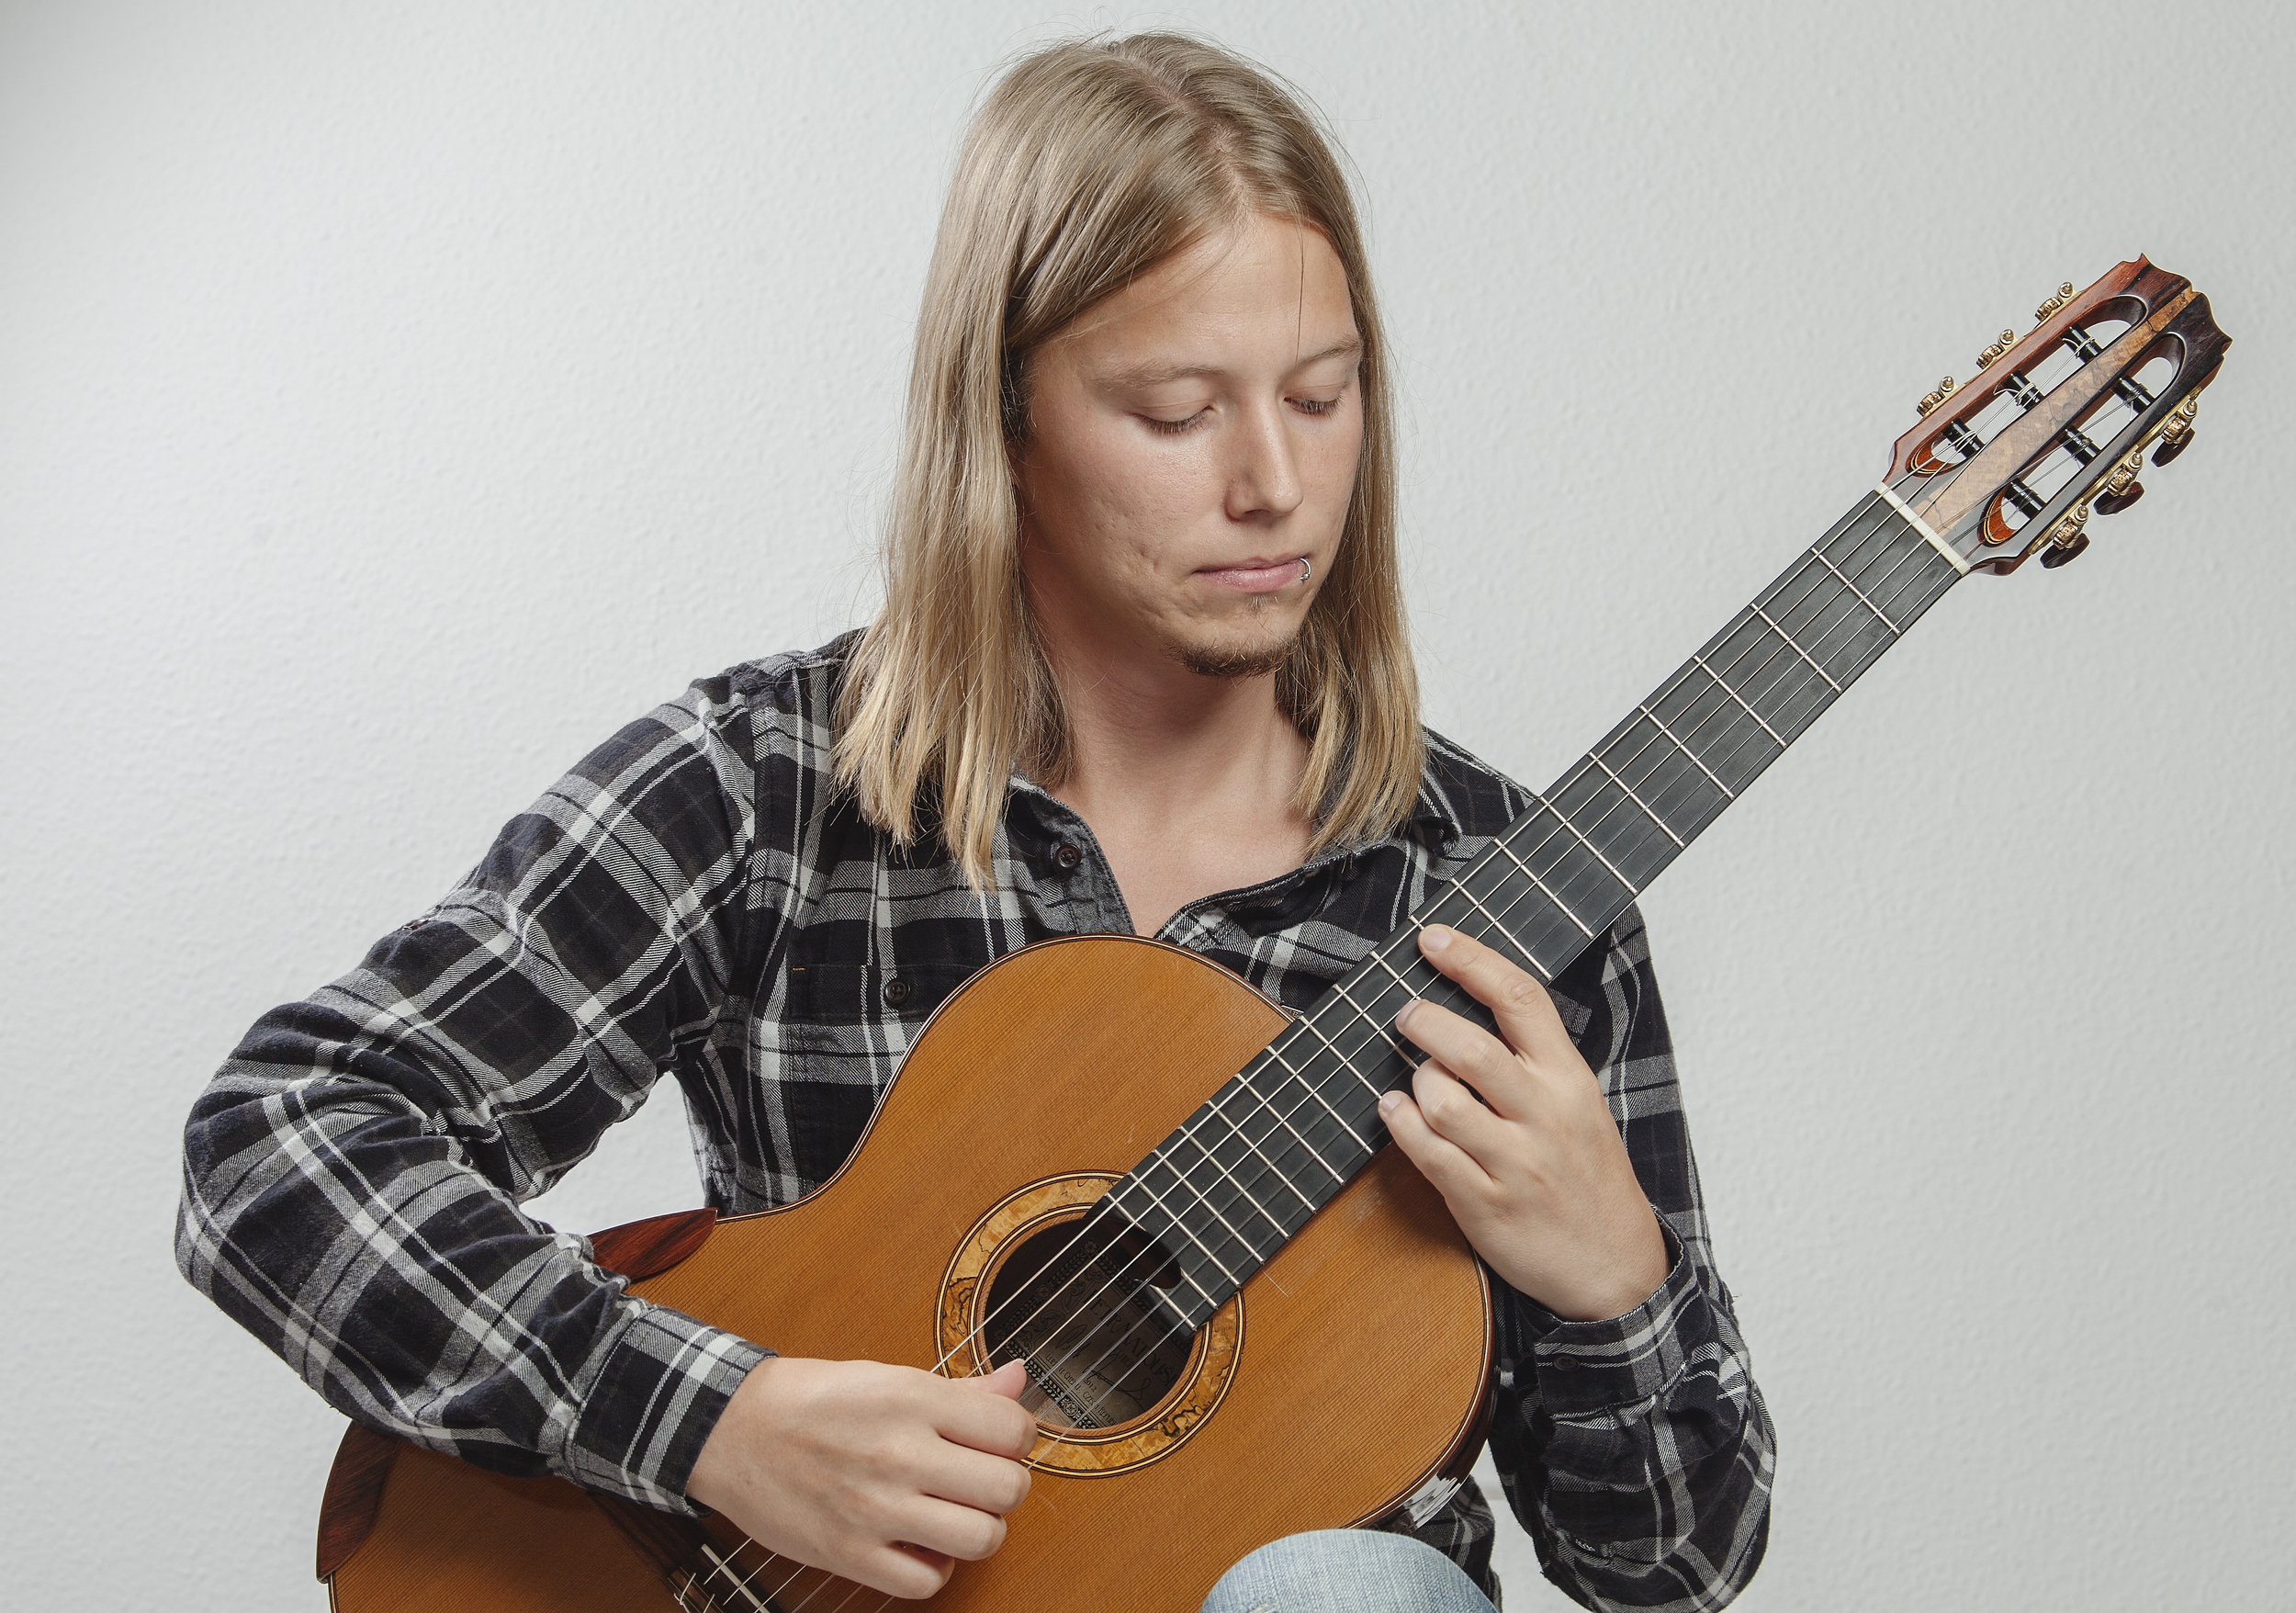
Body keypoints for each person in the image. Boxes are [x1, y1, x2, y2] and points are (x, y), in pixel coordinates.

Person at [176, 31, 1773, 1612]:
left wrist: (1613, 1277)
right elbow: (277, 1142)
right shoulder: (779, 784)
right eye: (1173, 410)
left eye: (1322, 393)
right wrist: (709, 1421)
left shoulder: (1509, 904)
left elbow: (1673, 1574)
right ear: (1004, 418)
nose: (1277, 482)